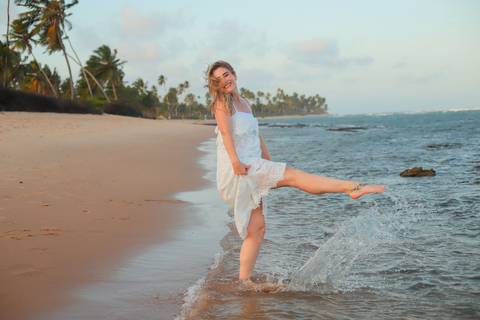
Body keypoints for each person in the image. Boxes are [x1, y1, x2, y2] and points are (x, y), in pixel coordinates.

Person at [207, 60, 385, 286]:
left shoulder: (245, 103)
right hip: (242, 167)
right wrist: (235, 162)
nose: (225, 80)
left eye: (226, 74)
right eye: (219, 79)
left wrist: (268, 161)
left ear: (234, 74)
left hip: (254, 163)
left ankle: (245, 281)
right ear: (215, 85)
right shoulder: (222, 104)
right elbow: (225, 134)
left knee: (257, 228)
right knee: (295, 177)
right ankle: (353, 188)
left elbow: (255, 136)